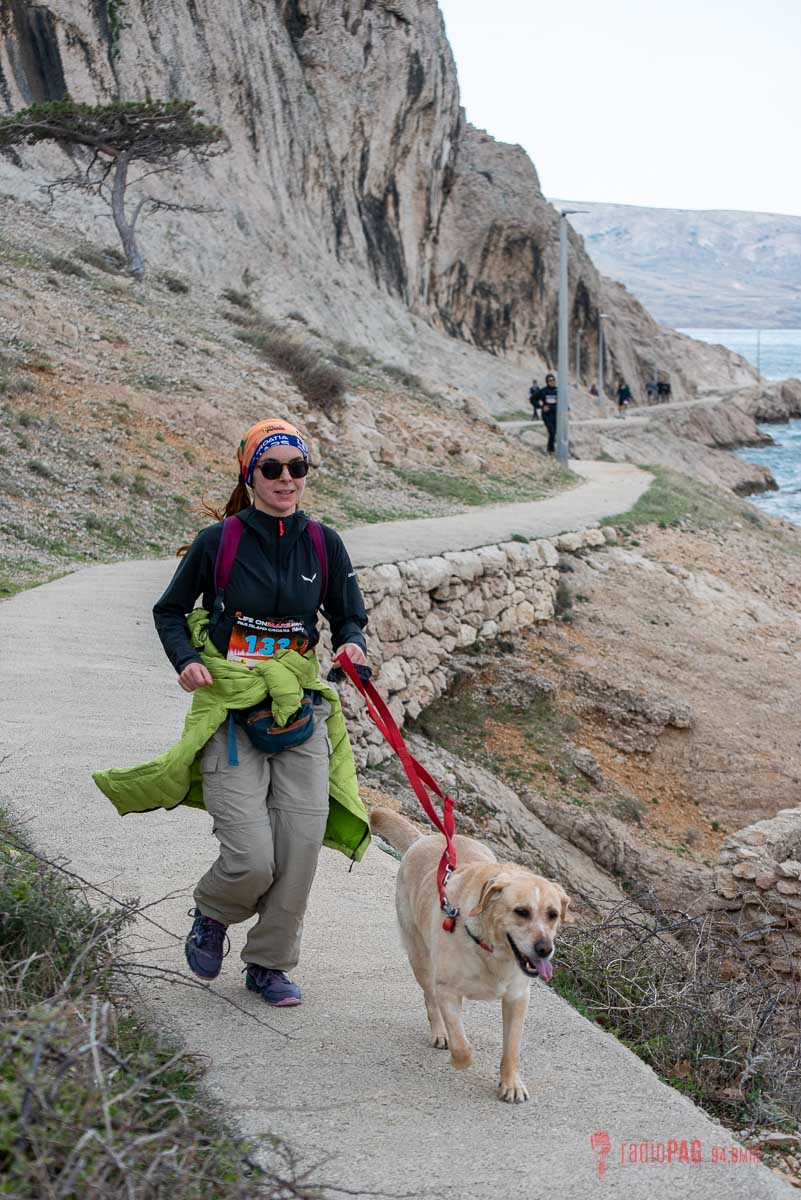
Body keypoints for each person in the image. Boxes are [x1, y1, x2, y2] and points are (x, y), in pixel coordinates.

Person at [94, 418, 370, 1008]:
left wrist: (352, 645)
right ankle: (213, 912)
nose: (286, 479)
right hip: (230, 711)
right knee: (251, 858)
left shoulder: (324, 543)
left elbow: (348, 616)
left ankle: (269, 965)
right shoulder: (218, 542)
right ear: (250, 476)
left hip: (299, 709)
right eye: (272, 468)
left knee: (299, 850)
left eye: (297, 467)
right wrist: (187, 659)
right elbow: (170, 611)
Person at [539, 372, 558, 453]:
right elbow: (533, 399)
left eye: (553, 380)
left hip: (556, 415)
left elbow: (564, 401)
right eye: (550, 380)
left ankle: (550, 449)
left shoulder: (558, 390)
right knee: (552, 432)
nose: (552, 381)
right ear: (547, 381)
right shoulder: (543, 390)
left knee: (554, 433)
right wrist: (541, 406)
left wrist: (567, 409)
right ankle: (551, 450)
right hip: (546, 415)